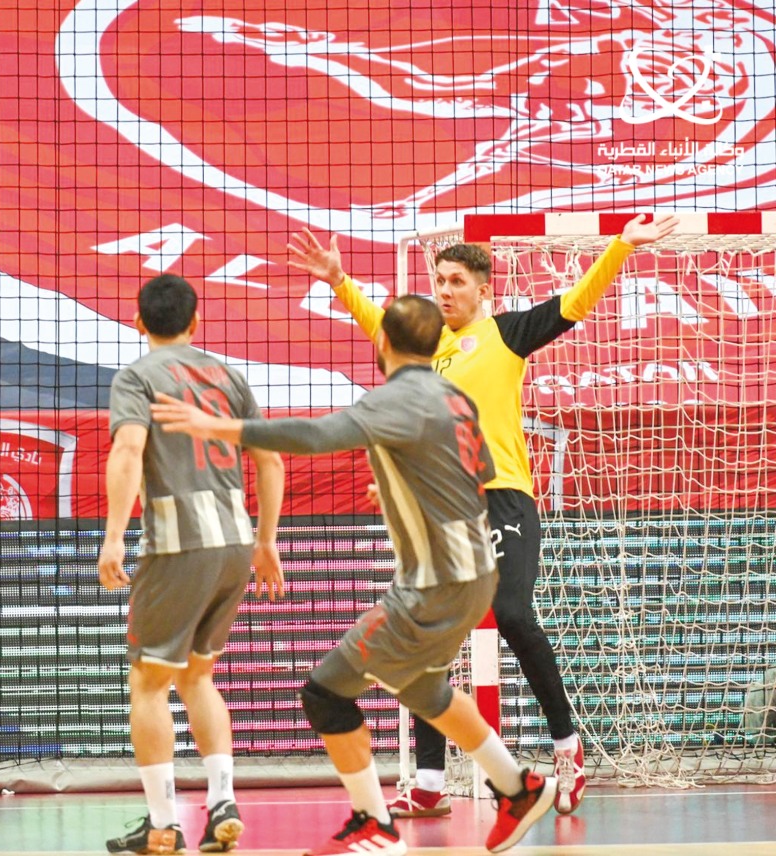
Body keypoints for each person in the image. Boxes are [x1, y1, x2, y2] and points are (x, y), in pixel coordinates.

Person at [291, 212, 678, 817]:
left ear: (482, 291)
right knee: (427, 640)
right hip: (441, 510)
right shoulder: (423, 348)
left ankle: (567, 747)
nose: (443, 291)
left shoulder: (505, 333)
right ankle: (427, 779)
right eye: (438, 281)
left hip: (502, 498)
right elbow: (377, 321)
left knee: (513, 613)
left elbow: (575, 303)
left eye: (455, 283)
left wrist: (620, 247)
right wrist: (340, 279)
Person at [153, 295, 557, 855]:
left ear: (383, 344)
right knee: (423, 688)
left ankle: (375, 823)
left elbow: (315, 436)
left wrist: (216, 424)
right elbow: (476, 473)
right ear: (433, 341)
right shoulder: (458, 399)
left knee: (325, 693)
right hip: (476, 572)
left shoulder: (393, 400)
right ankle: (515, 787)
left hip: (433, 584)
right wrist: (402, 488)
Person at [99, 274, 286, 854]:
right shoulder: (227, 375)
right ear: (195, 321)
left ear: (137, 320)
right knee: (197, 675)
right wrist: (267, 541)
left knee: (148, 683)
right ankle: (223, 799)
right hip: (234, 542)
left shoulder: (137, 377)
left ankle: (162, 824)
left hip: (179, 545)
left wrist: (112, 537)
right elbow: (272, 457)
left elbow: (129, 449)